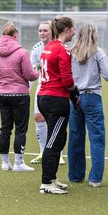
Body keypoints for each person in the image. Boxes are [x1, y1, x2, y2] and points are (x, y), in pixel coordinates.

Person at [67, 24, 108, 187]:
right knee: (97, 138)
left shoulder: (71, 53)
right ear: (94, 35)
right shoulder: (98, 52)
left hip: (75, 97)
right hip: (92, 97)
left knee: (75, 137)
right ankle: (95, 178)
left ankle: (75, 175)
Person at [38, 16, 78, 194]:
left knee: (59, 138)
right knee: (54, 141)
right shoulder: (63, 50)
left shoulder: (48, 46)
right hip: (56, 98)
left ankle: (52, 178)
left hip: (44, 96)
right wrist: (75, 90)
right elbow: (67, 79)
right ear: (67, 29)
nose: (75, 32)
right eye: (73, 29)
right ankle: (46, 183)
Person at [0, 21, 39, 172]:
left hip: (3, 94)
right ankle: (18, 163)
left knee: (5, 128)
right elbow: (30, 75)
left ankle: (5, 162)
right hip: (20, 94)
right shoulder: (22, 52)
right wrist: (39, 72)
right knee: (20, 129)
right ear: (15, 35)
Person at [29, 21, 66, 165]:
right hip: (42, 87)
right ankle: (43, 152)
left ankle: (59, 153)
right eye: (40, 31)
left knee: (55, 121)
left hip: (57, 89)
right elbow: (33, 72)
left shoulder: (59, 47)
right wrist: (28, 88)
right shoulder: (36, 49)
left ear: (52, 31)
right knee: (38, 118)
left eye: (45, 30)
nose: (42, 33)